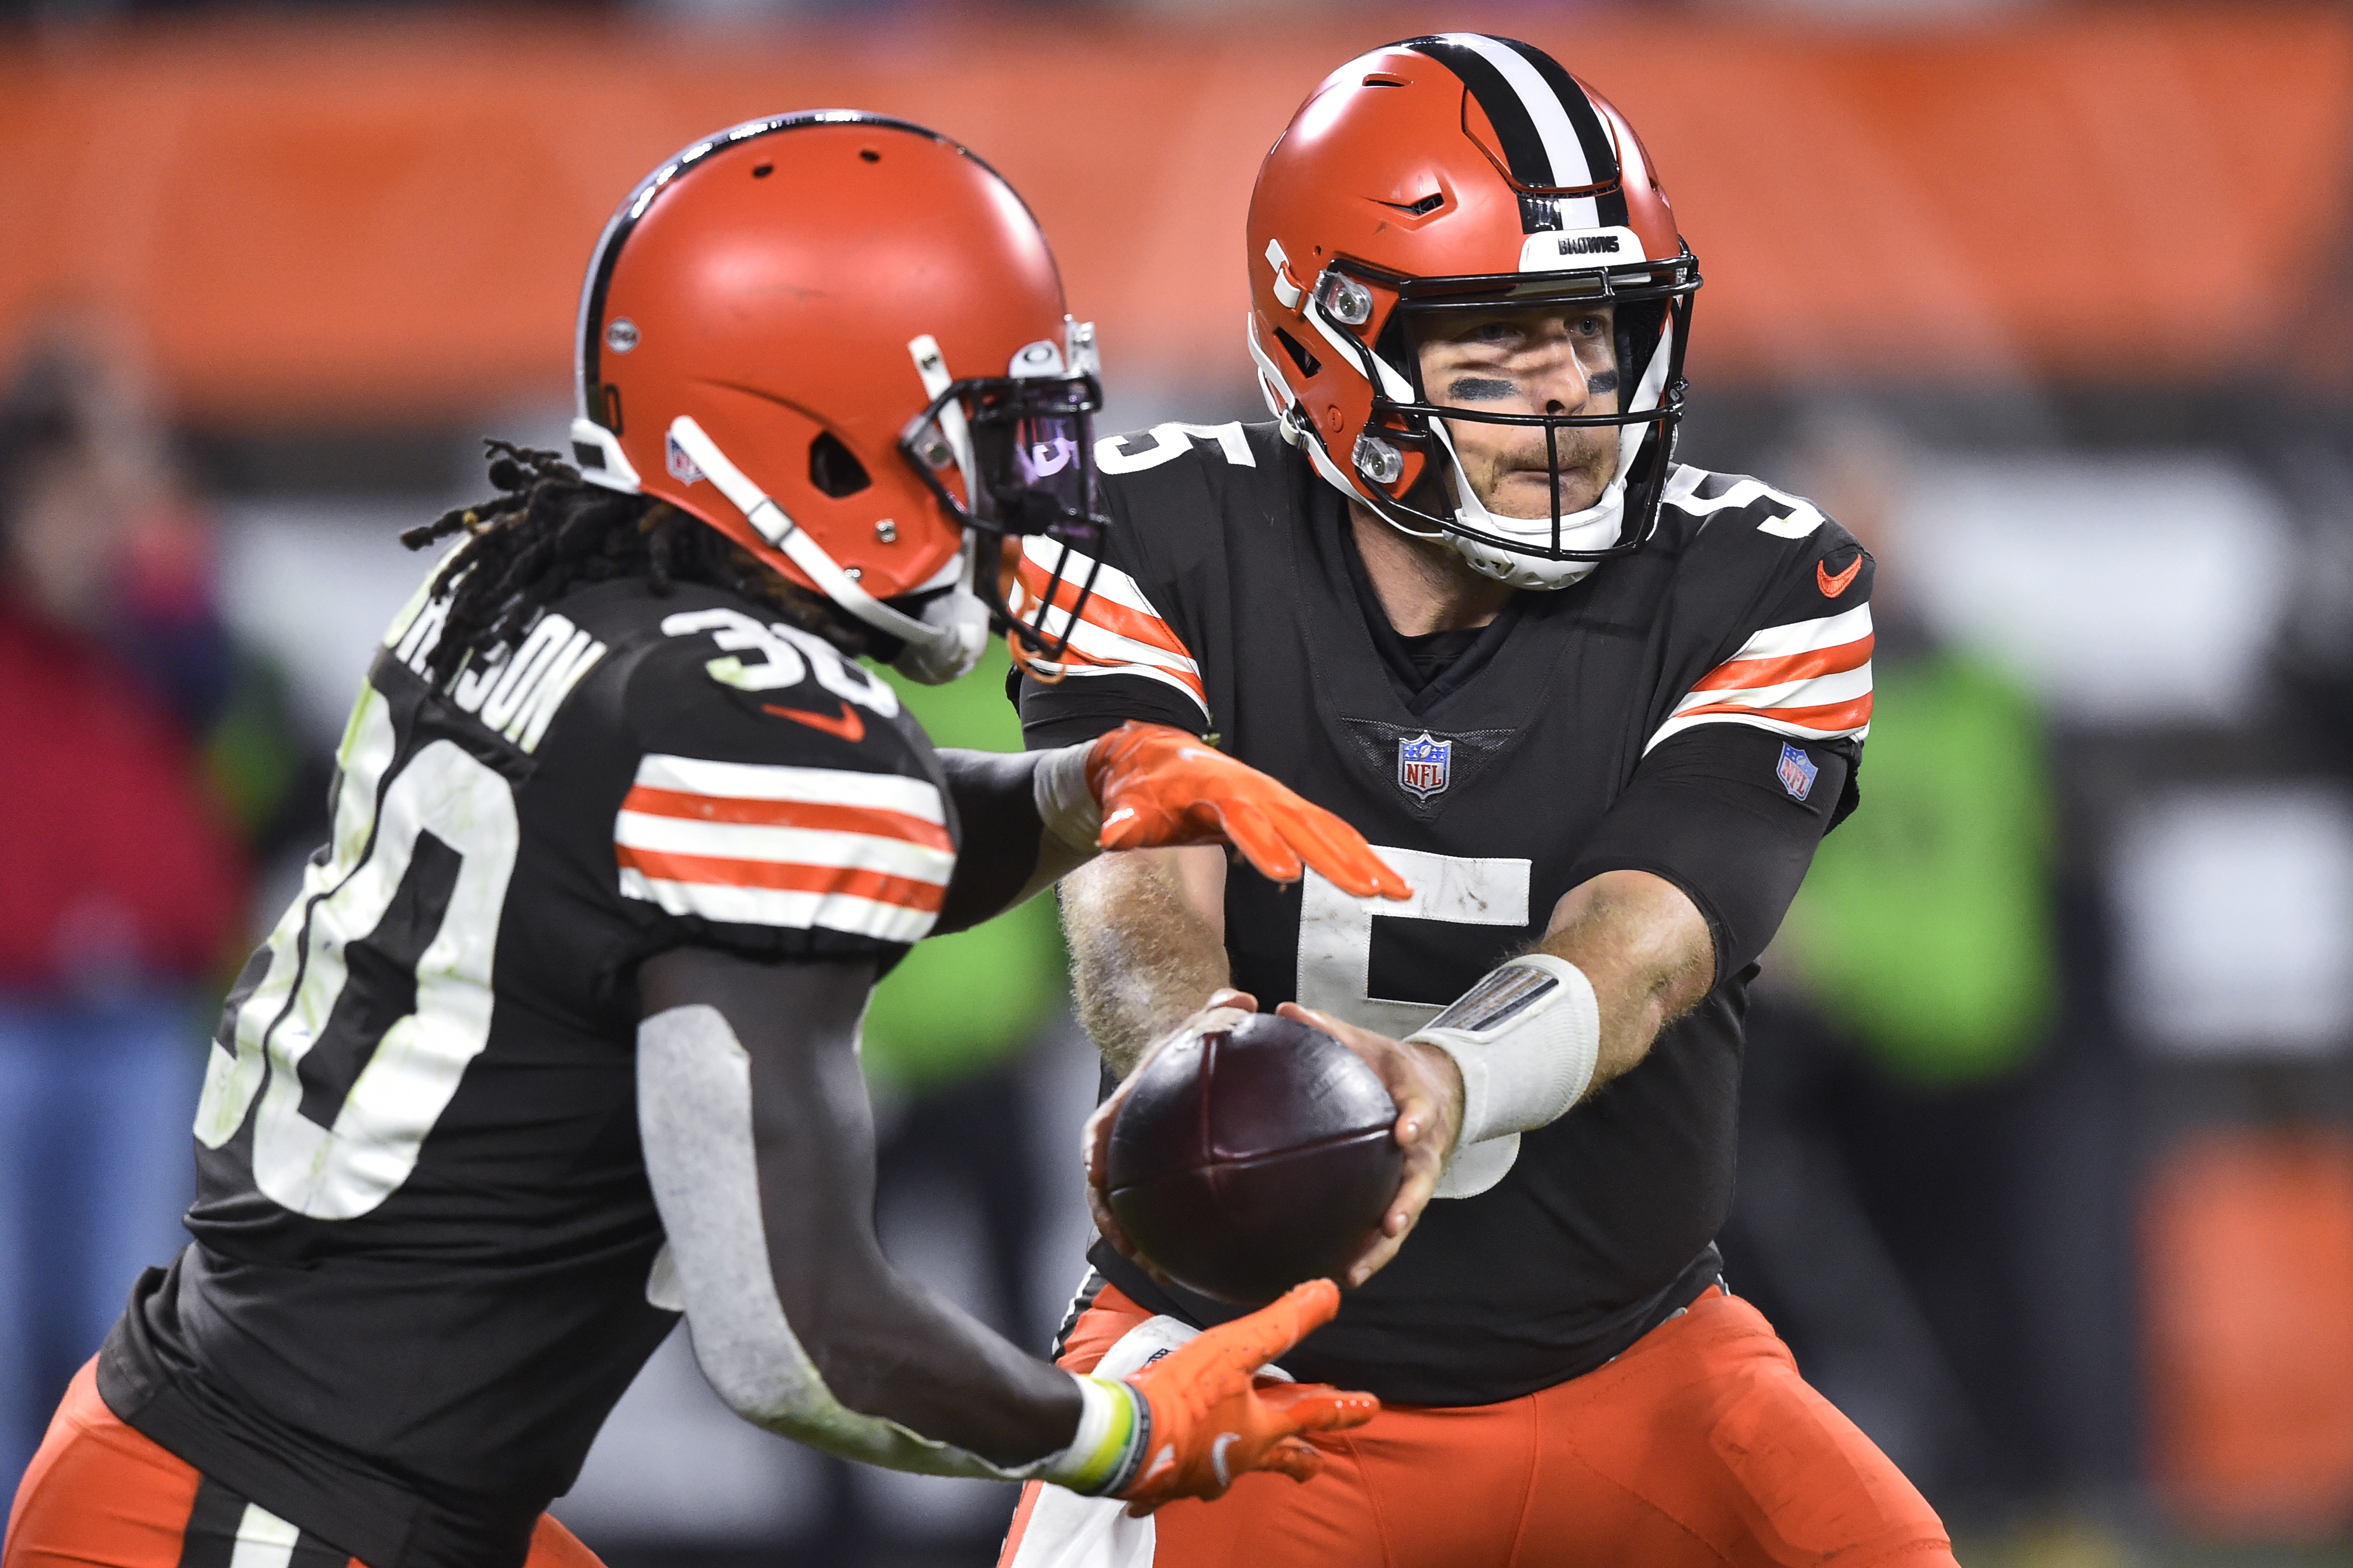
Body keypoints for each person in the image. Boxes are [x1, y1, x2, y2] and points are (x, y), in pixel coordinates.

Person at [2, 112, 1414, 1568]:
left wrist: (1085, 786)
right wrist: (1114, 1435)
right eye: (985, 439)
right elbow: (795, 1334)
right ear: (817, 442)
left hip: (268, 1458)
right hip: (277, 1514)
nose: (1026, 499)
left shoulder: (529, 586)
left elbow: (775, 847)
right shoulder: (742, 728)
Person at [996, 36, 1958, 1567]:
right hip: (1241, 1362)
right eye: (1497, 349)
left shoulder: (1763, 576)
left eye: (1591, 333)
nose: (1573, 397)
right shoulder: (1146, 535)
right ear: (1331, 348)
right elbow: (1135, 900)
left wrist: (1434, 1085)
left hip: (1636, 1363)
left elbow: (1646, 939)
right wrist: (1216, 1075)